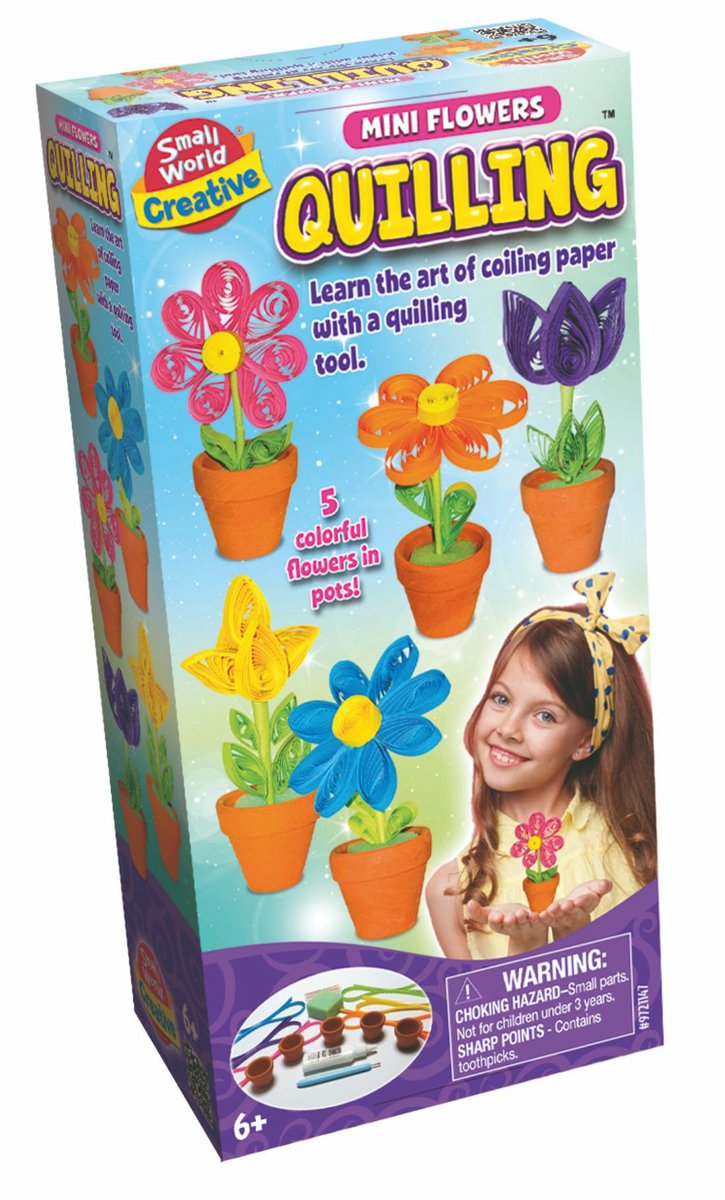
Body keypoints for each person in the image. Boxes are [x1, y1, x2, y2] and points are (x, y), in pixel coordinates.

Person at [426, 571, 656, 959]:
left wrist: (576, 936)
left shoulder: (637, 849)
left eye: (545, 716)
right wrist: (525, 945)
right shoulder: (451, 890)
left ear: (584, 741)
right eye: (501, 698)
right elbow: (475, 1001)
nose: (508, 729)